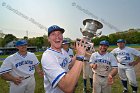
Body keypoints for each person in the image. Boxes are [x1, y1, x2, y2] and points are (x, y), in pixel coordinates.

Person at [41, 25, 87, 93]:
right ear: (48, 39)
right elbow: (67, 87)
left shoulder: (63, 51)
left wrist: (78, 53)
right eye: (53, 34)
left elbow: (70, 64)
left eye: (59, 34)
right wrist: (80, 56)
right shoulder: (48, 56)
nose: (57, 37)